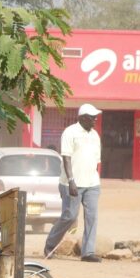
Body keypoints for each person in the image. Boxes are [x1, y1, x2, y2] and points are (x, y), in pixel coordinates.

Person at [44, 104, 103, 262]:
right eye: (92, 117)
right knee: (69, 216)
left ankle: (88, 252)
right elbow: (66, 157)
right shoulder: (70, 132)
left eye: (95, 117)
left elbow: (96, 161)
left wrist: (94, 178)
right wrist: (71, 181)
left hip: (92, 183)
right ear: (82, 117)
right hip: (71, 183)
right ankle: (50, 245)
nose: (95, 119)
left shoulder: (95, 135)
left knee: (92, 217)